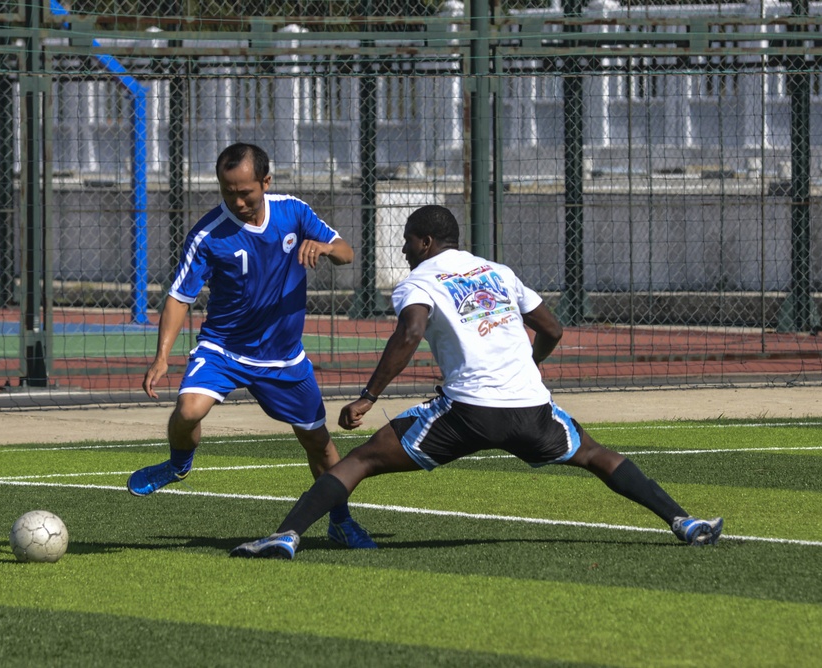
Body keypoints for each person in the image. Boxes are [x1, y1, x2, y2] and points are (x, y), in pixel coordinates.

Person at [231, 204, 723, 559]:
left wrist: (368, 396)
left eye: (407, 240)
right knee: (597, 456)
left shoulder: (420, 279)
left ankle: (287, 535)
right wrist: (527, 367)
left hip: (466, 413)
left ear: (424, 241)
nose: (404, 249)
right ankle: (684, 521)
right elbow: (552, 328)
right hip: (531, 408)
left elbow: (412, 332)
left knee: (360, 460)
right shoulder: (498, 272)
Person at [129, 142, 376, 549]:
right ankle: (177, 464)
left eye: (245, 191)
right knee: (188, 410)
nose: (238, 200)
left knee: (318, 442)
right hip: (223, 349)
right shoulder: (208, 234)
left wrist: (327, 248)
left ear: (266, 181)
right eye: (228, 191)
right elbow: (179, 297)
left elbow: (347, 252)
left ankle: (341, 520)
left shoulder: (293, 211)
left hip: (283, 357)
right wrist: (161, 357)